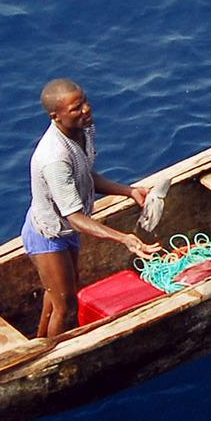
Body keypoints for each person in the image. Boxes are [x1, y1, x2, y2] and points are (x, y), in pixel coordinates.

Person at [24, 78, 161, 339]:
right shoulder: (54, 159)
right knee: (66, 307)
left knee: (59, 292)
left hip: (66, 231)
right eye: (76, 108)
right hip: (49, 234)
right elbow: (74, 217)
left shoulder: (84, 130)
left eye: (84, 102)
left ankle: (39, 341)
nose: (86, 110)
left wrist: (129, 191)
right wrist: (124, 239)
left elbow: (85, 175)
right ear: (56, 116)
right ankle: (50, 357)